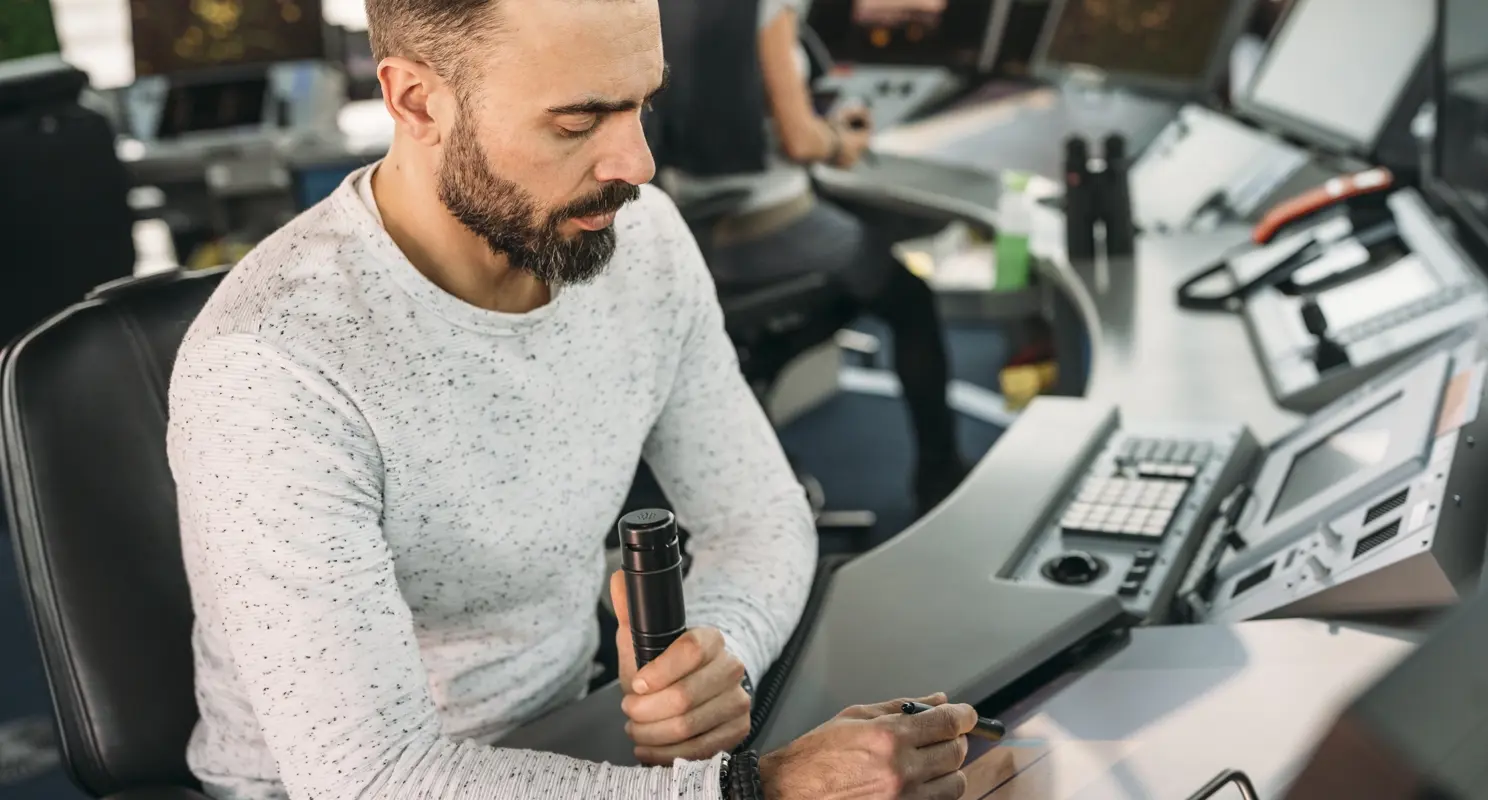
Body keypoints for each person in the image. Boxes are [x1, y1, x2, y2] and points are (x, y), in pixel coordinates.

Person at [164, 0, 976, 797]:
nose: (638, 165)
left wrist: (715, 650)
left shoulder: (645, 241)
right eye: (579, 121)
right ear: (417, 101)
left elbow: (757, 514)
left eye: (641, 105)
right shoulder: (270, 366)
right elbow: (369, 778)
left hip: (571, 736)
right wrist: (751, 791)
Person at [660, 0, 969, 514]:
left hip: (699, 231)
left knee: (854, 280)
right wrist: (841, 141)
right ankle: (939, 476)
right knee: (909, 298)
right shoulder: (768, 9)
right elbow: (800, 140)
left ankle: (757, 377)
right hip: (772, 223)